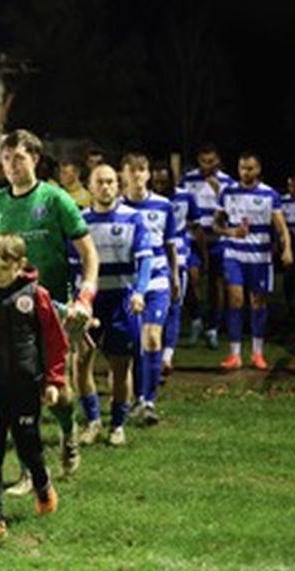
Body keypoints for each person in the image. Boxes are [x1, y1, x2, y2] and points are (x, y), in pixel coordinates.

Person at [0, 129, 99, 491]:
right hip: (8, 314)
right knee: (16, 391)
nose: (11, 165)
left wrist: (85, 297)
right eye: (6, 158)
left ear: (35, 158)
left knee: (57, 390)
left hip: (53, 310)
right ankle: (30, 470)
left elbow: (89, 252)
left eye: (19, 157)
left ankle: (67, 428)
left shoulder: (55, 198)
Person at [0, 233, 67, 544]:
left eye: (2, 268)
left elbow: (55, 341)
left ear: (20, 265)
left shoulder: (35, 296)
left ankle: (43, 487)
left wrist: (54, 380)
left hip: (26, 386)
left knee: (29, 446)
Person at [73, 165, 152, 446]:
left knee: (120, 366)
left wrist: (140, 292)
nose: (106, 187)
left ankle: (117, 424)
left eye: (110, 182)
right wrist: (78, 302)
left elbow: (145, 260)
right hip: (90, 301)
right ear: (90, 187)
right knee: (81, 361)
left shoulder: (134, 219)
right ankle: (93, 421)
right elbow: (74, 266)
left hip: (122, 300)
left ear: (117, 186)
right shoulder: (79, 221)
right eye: (100, 182)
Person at [214, 152, 292, 370]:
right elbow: (216, 225)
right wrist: (230, 232)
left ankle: (257, 353)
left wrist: (287, 249)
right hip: (234, 255)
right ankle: (234, 354)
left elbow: (281, 227)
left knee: (258, 302)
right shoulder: (228, 192)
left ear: (258, 169)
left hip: (260, 257)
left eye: (250, 168)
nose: (245, 172)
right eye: (242, 168)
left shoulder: (269, 194)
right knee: (236, 300)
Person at [121, 153, 180, 425]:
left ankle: (149, 401)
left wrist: (176, 277)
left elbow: (170, 244)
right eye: (131, 170)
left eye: (141, 170)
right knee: (133, 344)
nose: (137, 175)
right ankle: (131, 398)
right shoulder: (118, 208)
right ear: (124, 174)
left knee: (152, 338)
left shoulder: (164, 206)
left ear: (147, 174)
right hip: (127, 283)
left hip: (157, 280)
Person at [178, 144, 236, 348]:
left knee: (216, 284)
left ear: (218, 161)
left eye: (211, 161)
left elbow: (235, 211)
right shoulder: (188, 180)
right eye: (203, 161)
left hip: (218, 240)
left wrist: (219, 191)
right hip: (193, 238)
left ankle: (213, 327)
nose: (207, 166)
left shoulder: (228, 182)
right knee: (190, 278)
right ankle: (196, 319)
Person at [152, 161, 202, 375]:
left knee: (174, 306)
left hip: (178, 257)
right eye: (157, 181)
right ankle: (150, 355)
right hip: (152, 260)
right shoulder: (147, 201)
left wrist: (201, 256)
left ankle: (167, 357)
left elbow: (196, 226)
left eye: (164, 181)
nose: (160, 185)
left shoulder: (185, 197)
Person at [280, 174, 295, 317]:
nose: (292, 188)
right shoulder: (283, 201)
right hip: (290, 244)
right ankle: (289, 312)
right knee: (288, 280)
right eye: (290, 185)